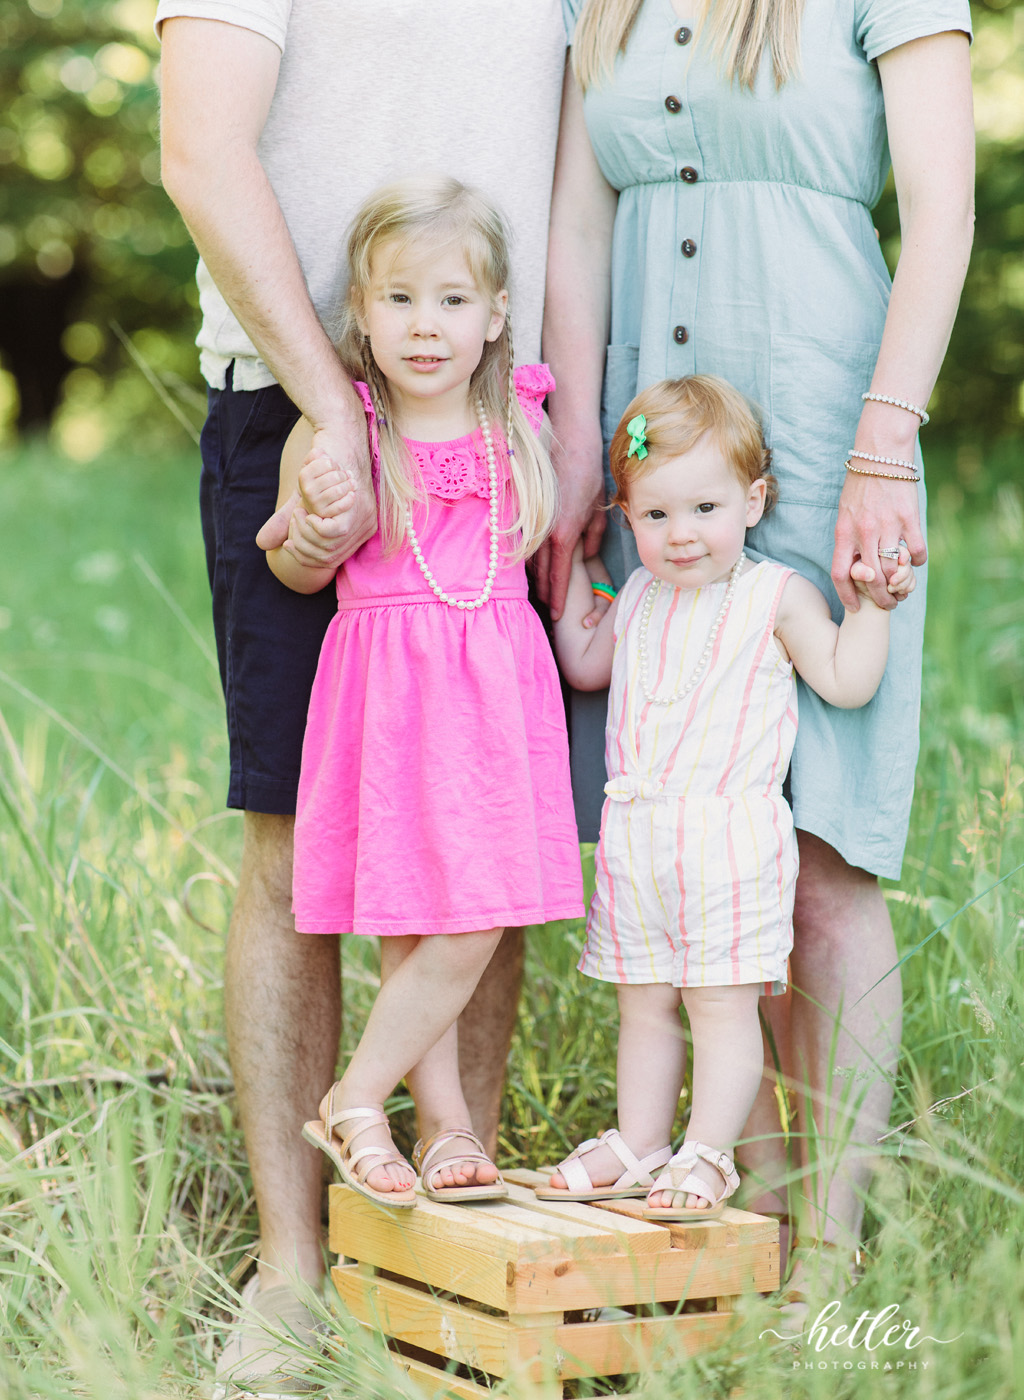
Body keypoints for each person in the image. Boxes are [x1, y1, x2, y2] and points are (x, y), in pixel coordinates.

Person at [155, 2, 570, 1390]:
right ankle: (291, 1270)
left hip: (497, 406)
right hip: (301, 393)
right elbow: (200, 149)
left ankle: (441, 1249)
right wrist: (331, 409)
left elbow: (571, 177)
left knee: (483, 838)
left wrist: (556, 420)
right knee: (295, 842)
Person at [540, 0, 973, 1304]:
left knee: (827, 857)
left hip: (825, 421)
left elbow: (943, 217)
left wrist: (884, 444)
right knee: (701, 845)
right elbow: (573, 225)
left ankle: (825, 1256)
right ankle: (738, 1241)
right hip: (655, 468)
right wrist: (575, 466)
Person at [271, 174, 582, 1209]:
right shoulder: (340, 426)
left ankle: (358, 1093)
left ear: (496, 316)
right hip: (390, 697)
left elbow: (546, 556)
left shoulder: (517, 421)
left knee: (478, 907)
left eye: (451, 300)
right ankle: (437, 1120)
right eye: (397, 298)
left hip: (494, 693)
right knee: (419, 914)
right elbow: (290, 562)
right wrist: (314, 533)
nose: (424, 325)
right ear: (358, 313)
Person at [541, 376, 914, 1220]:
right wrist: (574, 566)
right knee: (643, 1003)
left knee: (718, 1005)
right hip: (640, 842)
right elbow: (586, 662)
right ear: (630, 517)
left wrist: (876, 608)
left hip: (727, 844)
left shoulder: (772, 595)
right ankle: (641, 1140)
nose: (681, 537)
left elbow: (846, 679)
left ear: (753, 502)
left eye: (705, 509)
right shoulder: (634, 594)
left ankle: (709, 1152)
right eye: (657, 516)